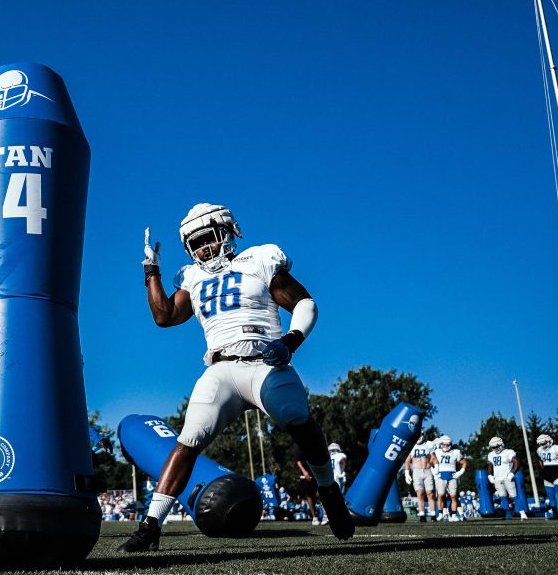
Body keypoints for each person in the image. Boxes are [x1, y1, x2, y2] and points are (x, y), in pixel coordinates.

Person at [119, 203, 354, 552]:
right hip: (221, 369)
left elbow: (305, 303)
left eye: (207, 238)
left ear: (226, 233)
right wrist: (151, 269)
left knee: (298, 419)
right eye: (194, 244)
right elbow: (164, 316)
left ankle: (327, 489)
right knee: (188, 439)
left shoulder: (258, 260)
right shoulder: (192, 277)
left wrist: (290, 341)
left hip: (264, 360)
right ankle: (150, 526)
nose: (202, 249)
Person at [486, 437, 527, 520]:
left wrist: (512, 473)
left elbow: (517, 462)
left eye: (495, 446)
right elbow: (490, 465)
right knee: (503, 497)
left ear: (501, 444)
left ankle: (522, 513)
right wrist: (490, 475)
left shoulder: (508, 452)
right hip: (497, 478)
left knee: (514, 496)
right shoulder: (491, 455)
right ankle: (508, 515)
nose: (494, 449)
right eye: (493, 447)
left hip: (507, 477)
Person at [432, 436, 466, 521]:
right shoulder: (437, 452)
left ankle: (454, 515)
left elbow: (464, 462)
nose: (446, 446)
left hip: (452, 476)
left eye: (448, 444)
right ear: (441, 444)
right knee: (440, 495)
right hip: (441, 476)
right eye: (444, 444)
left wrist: (460, 472)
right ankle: (440, 514)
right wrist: (433, 470)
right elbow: (429, 461)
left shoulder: (455, 452)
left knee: (453, 496)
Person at [535, 433, 558, 519]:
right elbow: (539, 459)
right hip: (547, 472)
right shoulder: (539, 450)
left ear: (549, 441)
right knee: (550, 495)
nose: (543, 445)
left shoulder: (557, 448)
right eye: (541, 443)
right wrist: (542, 469)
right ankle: (555, 513)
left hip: (556, 471)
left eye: (544, 443)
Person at [404, 436, 437, 521]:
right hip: (416, 471)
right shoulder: (411, 446)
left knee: (430, 493)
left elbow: (434, 457)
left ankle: (433, 515)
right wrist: (407, 474)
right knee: (420, 493)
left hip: (427, 471)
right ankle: (422, 515)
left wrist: (435, 467)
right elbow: (407, 460)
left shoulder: (428, 445)